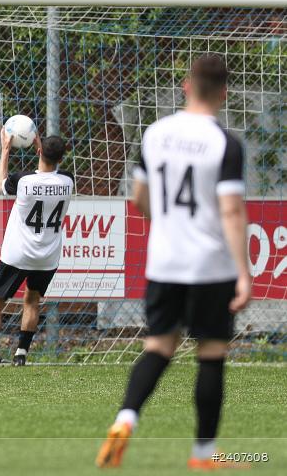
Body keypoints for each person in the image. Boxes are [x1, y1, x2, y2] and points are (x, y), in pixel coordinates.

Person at [96, 54, 252, 470]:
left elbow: (139, 200)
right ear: (223, 93)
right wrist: (244, 273)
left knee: (158, 347)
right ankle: (203, 454)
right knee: (211, 353)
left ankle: (124, 420)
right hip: (209, 266)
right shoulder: (225, 143)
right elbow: (233, 212)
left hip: (163, 263)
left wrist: (167, 222)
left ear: (186, 86)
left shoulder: (155, 133)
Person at [0, 128, 74, 367]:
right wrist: (41, 145)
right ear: (61, 158)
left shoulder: (23, 181)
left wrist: (6, 150)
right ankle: (21, 355)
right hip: (47, 257)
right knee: (32, 300)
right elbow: (51, 166)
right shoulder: (68, 181)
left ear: (38, 150)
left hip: (18, 254)